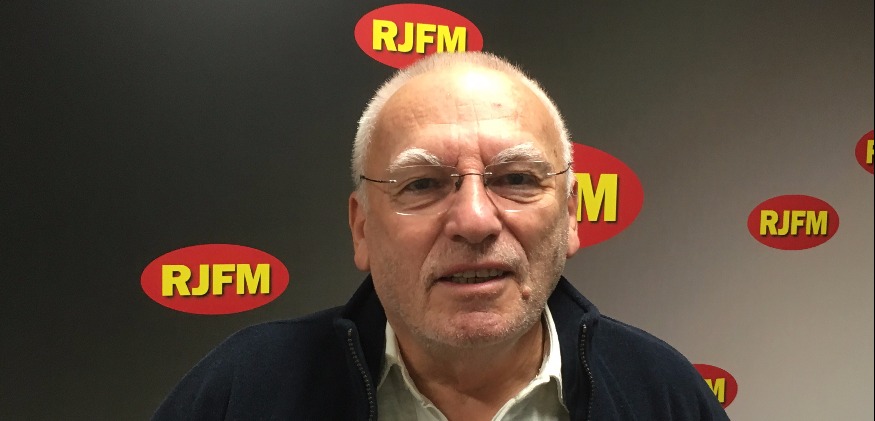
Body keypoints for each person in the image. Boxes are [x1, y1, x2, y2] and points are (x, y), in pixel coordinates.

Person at [154, 51, 729, 420]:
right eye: (423, 184)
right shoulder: (245, 392)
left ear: (571, 217)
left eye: (516, 179)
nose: (475, 220)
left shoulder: (662, 396)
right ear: (361, 228)